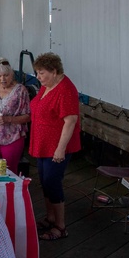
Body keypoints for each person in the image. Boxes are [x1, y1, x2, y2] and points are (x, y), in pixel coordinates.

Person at [29, 51, 81, 241]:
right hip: (43, 142)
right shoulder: (47, 86)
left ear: (54, 71)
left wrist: (60, 149)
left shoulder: (66, 90)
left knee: (53, 181)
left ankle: (60, 225)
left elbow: (70, 121)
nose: (38, 77)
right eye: (37, 73)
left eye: (41, 73)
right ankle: (50, 217)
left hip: (57, 144)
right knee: (44, 180)